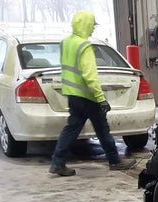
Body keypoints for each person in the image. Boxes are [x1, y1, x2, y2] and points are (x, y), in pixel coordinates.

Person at [49, 10, 137, 176]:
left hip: (72, 95)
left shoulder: (66, 43)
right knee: (102, 129)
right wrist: (101, 98)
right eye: (92, 26)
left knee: (71, 129)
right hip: (87, 96)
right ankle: (115, 161)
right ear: (85, 25)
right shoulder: (84, 46)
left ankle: (57, 162)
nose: (92, 30)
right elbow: (90, 76)